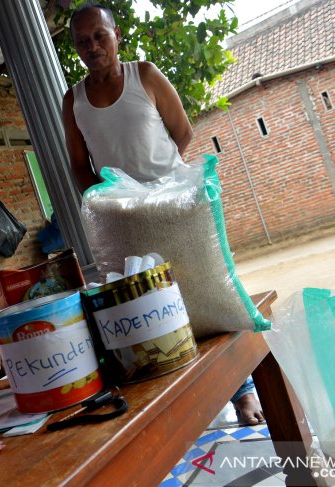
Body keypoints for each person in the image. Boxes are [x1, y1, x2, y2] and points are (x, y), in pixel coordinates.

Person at [61, 4, 264, 425]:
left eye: (100, 35)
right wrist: (108, 201)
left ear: (116, 34)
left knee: (202, 294)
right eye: (83, 41)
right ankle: (181, 405)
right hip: (122, 219)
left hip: (175, 208)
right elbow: (79, 164)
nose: (92, 46)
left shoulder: (145, 75)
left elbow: (182, 129)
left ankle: (243, 391)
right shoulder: (74, 99)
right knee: (149, 311)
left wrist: (162, 188)